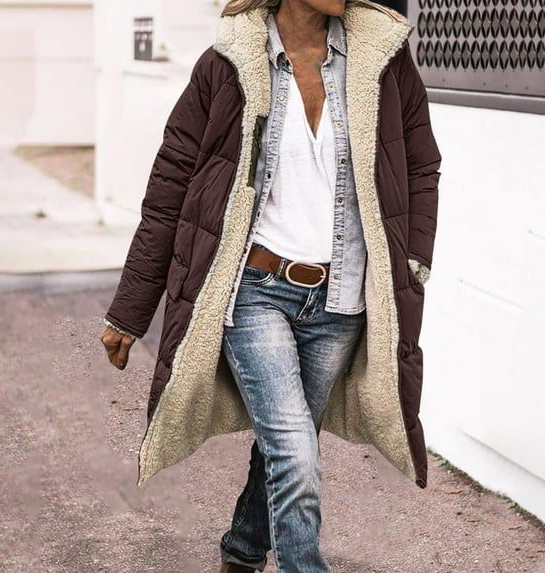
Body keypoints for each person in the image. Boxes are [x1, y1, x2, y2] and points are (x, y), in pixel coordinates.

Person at [100, 0, 442, 571]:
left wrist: (413, 259)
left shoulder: (382, 59)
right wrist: (129, 313)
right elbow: (169, 189)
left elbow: (421, 166)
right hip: (255, 289)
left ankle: (244, 544)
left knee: (286, 443)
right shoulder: (228, 63)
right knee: (296, 452)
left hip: (341, 297)